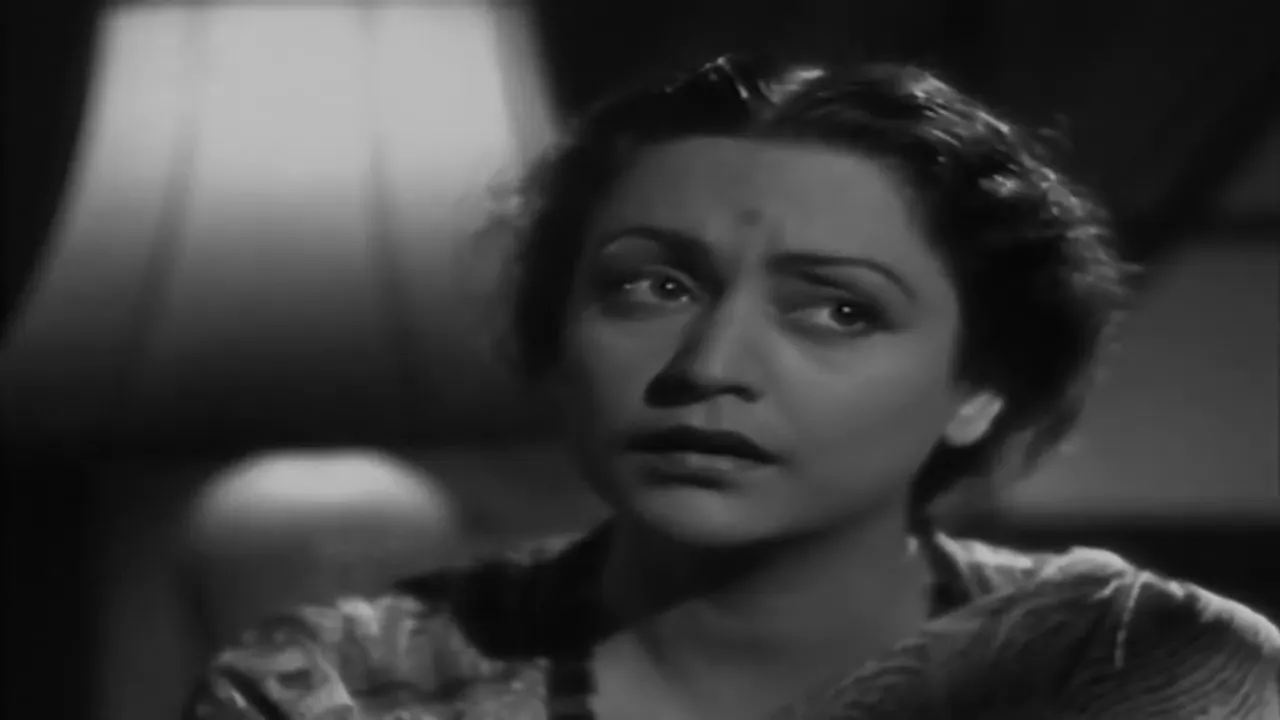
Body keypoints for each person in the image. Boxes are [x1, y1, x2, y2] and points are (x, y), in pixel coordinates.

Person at [182, 55, 1280, 719]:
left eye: (838, 311)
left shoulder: (1134, 665)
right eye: (652, 287)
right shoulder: (337, 688)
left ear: (980, 385)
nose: (707, 368)